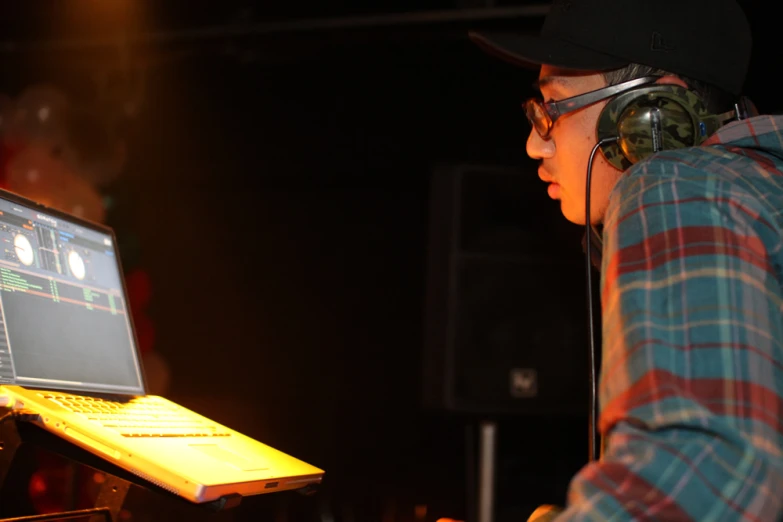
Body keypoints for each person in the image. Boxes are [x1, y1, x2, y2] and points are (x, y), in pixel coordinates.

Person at [440, 0, 783, 520]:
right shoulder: (755, 193)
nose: (534, 144)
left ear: (652, 115)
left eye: (549, 109)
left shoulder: (677, 184)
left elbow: (707, 484)